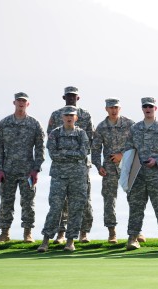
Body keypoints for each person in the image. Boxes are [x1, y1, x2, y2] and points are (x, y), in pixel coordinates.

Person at [124, 97, 158, 252]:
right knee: (135, 206)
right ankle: (133, 238)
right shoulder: (135, 128)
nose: (148, 109)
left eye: (150, 107)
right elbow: (129, 150)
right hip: (138, 175)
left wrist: (157, 161)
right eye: (145, 106)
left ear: (155, 109)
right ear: (142, 109)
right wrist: (127, 172)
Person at [0, 92, 45, 243]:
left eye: (24, 101)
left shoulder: (34, 124)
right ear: (14, 102)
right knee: (6, 202)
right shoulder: (5, 123)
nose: (21, 103)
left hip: (27, 172)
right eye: (19, 101)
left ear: (28, 104)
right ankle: (4, 233)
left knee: (28, 202)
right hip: (8, 171)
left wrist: (36, 170)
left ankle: (27, 233)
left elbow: (40, 149)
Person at [37, 106, 89, 253]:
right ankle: (46, 240)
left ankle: (70, 241)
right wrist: (71, 154)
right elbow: (53, 154)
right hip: (59, 176)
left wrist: (64, 153)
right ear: (62, 117)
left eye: (72, 116)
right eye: (66, 115)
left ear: (76, 118)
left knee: (76, 208)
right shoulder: (55, 134)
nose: (69, 118)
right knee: (55, 207)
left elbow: (83, 153)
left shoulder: (81, 134)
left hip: (77, 176)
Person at [47, 86, 94, 244]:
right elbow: (51, 142)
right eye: (68, 96)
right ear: (64, 97)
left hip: (81, 167)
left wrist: (66, 153)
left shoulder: (86, 115)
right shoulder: (55, 115)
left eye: (74, 96)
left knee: (82, 201)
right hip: (60, 170)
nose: (71, 98)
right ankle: (60, 233)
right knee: (59, 202)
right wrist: (70, 153)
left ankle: (83, 232)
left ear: (78, 98)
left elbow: (88, 142)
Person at [92, 98, 135, 244]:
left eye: (116, 107)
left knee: (134, 199)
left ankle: (136, 231)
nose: (113, 110)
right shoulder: (101, 127)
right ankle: (112, 232)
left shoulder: (130, 124)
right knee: (109, 200)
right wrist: (98, 166)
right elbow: (96, 149)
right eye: (111, 107)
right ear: (106, 109)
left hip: (128, 166)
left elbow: (137, 144)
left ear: (120, 108)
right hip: (109, 168)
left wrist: (122, 155)